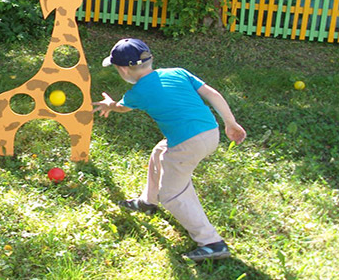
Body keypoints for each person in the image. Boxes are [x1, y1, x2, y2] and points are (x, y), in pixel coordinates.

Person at [92, 38, 247, 262]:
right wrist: (230, 123)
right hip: (210, 132)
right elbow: (212, 94)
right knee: (160, 151)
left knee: (173, 194)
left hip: (188, 143)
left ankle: (212, 242)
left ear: (123, 69)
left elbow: (122, 108)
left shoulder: (138, 92)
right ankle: (148, 201)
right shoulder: (177, 72)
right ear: (150, 59)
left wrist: (110, 105)